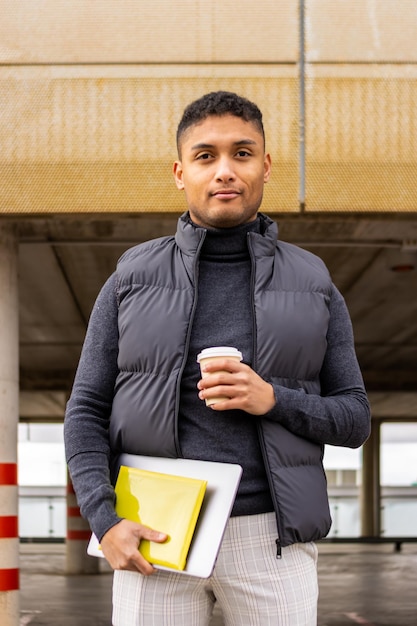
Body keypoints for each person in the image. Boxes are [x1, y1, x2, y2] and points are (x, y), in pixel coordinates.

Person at [64, 90, 371, 626]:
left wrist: (272, 399)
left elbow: (354, 418)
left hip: (272, 537)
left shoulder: (314, 281)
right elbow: (86, 409)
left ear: (266, 166)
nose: (225, 170)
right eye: (207, 156)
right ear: (181, 172)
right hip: (155, 533)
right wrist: (104, 520)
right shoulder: (129, 279)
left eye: (242, 153)